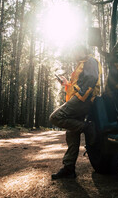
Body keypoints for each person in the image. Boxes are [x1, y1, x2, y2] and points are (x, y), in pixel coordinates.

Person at [49, 45, 102, 180]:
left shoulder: (90, 60)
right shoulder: (82, 64)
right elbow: (78, 84)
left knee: (55, 117)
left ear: (84, 50)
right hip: (79, 99)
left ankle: (87, 127)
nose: (75, 53)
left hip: (83, 100)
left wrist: (81, 97)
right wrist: (66, 84)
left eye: (77, 50)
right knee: (72, 135)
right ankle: (69, 169)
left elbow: (92, 79)